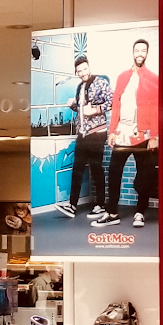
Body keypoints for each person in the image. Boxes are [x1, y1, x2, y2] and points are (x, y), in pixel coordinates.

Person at [103, 38, 160, 227]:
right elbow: (116, 105)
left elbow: (156, 109)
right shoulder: (122, 77)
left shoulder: (153, 79)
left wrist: (154, 136)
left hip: (143, 134)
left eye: (143, 51)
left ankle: (140, 213)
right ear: (133, 52)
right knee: (114, 172)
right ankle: (112, 212)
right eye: (137, 50)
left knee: (144, 175)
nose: (140, 54)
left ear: (147, 53)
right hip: (122, 133)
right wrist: (112, 131)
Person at [57, 54, 111, 222]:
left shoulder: (100, 82)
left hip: (97, 132)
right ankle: (72, 205)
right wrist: (73, 105)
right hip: (83, 133)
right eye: (79, 71)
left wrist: (96, 109)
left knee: (96, 168)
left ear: (89, 67)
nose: (83, 73)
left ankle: (100, 205)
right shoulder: (80, 87)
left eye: (84, 69)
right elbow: (81, 111)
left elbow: (112, 101)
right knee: (77, 169)